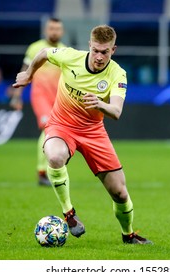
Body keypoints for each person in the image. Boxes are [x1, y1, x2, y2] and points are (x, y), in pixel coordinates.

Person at [13, 25, 152, 244]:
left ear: (113, 50)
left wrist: (99, 104)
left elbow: (116, 111)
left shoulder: (117, 74)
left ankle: (129, 235)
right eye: (95, 50)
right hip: (62, 125)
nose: (98, 56)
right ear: (89, 45)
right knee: (55, 156)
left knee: (120, 193)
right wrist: (29, 75)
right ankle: (69, 213)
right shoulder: (70, 56)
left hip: (93, 132)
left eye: (104, 52)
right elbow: (43, 54)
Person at [10, 18, 66, 186]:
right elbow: (25, 72)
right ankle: (42, 171)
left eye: (57, 28)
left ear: (62, 32)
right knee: (48, 128)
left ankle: (49, 169)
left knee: (55, 132)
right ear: (45, 30)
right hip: (40, 97)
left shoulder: (65, 51)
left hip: (59, 100)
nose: (54, 31)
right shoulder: (35, 48)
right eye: (51, 28)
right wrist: (17, 95)